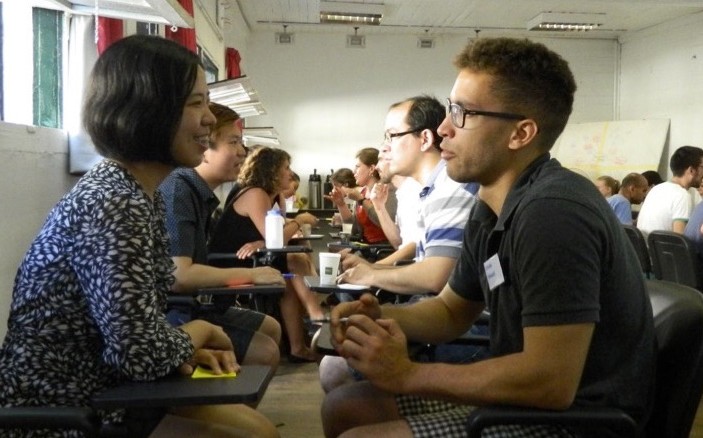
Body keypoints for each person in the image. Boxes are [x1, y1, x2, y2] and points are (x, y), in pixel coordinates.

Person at [321, 37, 655, 438]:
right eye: (449, 110)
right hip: (530, 401)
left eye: (462, 113)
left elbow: (550, 381)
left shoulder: (553, 213)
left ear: (520, 134)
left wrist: (409, 375)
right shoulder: (492, 206)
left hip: (575, 422)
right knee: (345, 407)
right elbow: (449, 311)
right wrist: (377, 315)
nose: (443, 130)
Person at [0, 35, 278, 437]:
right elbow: (139, 355)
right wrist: (199, 331)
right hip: (70, 410)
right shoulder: (115, 203)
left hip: (110, 387)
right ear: (149, 109)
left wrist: (180, 346)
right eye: (195, 103)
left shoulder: (137, 194)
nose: (207, 120)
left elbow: (136, 333)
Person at [159, 102, 283, 370]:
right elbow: (179, 275)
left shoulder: (197, 193)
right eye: (234, 142)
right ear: (204, 148)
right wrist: (252, 275)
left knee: (270, 326)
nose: (242, 152)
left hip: (194, 304)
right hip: (172, 313)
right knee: (265, 351)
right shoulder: (177, 190)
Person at [209, 146, 323, 362]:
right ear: (271, 171)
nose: (290, 173)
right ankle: (317, 317)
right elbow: (278, 238)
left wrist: (263, 241)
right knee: (296, 261)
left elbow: (274, 234)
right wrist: (300, 220)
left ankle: (300, 343)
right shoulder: (255, 193)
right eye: (286, 168)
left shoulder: (274, 195)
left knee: (290, 274)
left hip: (257, 257)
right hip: (234, 261)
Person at [329, 148, 393, 244]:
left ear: (371, 169)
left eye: (357, 167)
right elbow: (353, 229)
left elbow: (383, 223)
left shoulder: (385, 192)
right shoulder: (362, 192)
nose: (354, 172)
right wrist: (341, 205)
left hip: (383, 248)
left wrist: (361, 200)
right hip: (367, 246)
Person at [637, 145, 703, 235]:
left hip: (645, 248)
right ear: (691, 170)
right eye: (702, 167)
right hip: (664, 249)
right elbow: (681, 242)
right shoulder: (682, 195)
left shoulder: (656, 189)